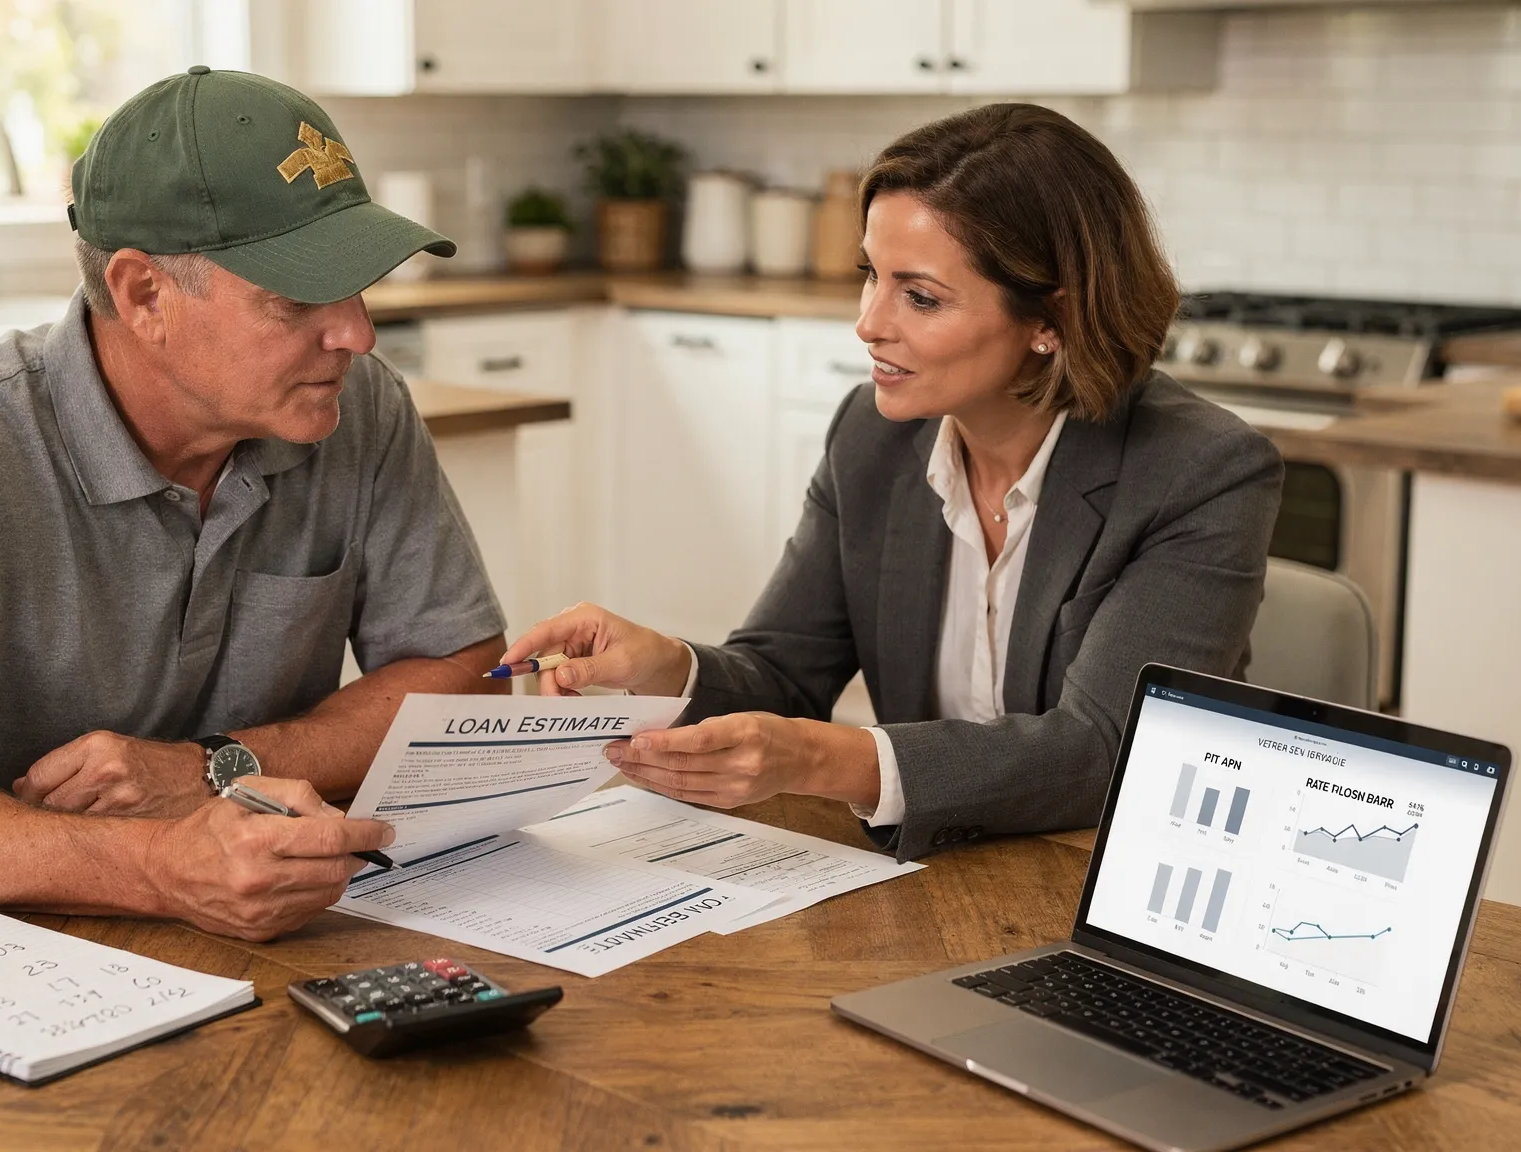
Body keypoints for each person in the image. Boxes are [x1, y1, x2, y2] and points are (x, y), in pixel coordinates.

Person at [0, 68, 508, 941]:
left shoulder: (358, 410)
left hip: (177, 927)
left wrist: (219, 769)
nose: (357, 334)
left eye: (360, 283)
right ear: (145, 295)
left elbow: (462, 668)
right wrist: (159, 866)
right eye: (296, 299)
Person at [502, 104, 1284, 861]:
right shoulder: (873, 437)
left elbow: (1103, 750)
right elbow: (784, 677)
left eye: (920, 296)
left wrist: (824, 760)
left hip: (1098, 887)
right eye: (869, 276)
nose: (870, 323)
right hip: (932, 874)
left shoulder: (1199, 470)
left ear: (1054, 319)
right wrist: (664, 664)